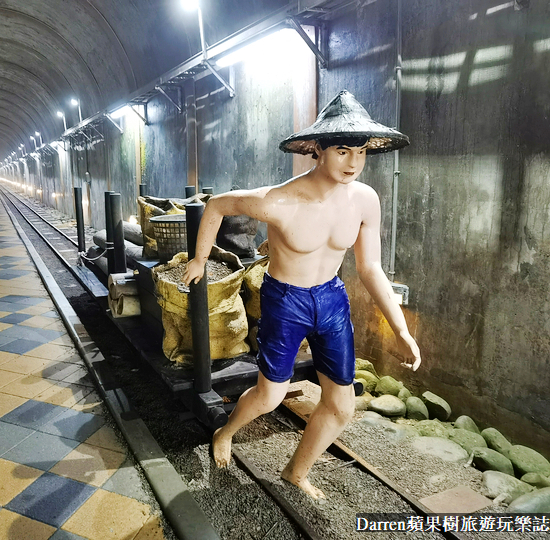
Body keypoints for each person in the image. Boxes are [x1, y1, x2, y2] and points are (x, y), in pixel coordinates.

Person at [181, 90, 422, 499]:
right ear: (317, 150)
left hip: (331, 299)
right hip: (286, 299)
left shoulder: (365, 200)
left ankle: (295, 470)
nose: (353, 163)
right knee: (270, 395)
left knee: (342, 406)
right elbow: (218, 204)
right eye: (342, 150)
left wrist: (400, 329)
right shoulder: (279, 200)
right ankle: (226, 432)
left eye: (360, 152)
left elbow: (369, 267)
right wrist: (200, 259)